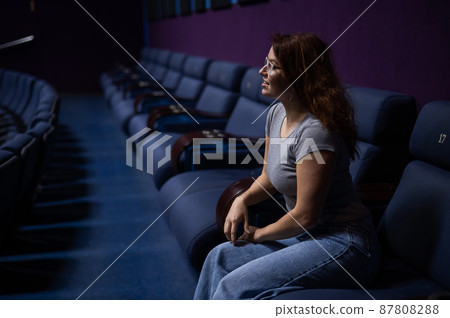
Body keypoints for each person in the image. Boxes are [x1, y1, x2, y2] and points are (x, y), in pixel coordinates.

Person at [194, 33, 380, 300]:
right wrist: (242, 200)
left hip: (343, 244)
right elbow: (269, 177)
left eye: (272, 66)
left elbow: (306, 216)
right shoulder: (276, 113)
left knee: (232, 286)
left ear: (298, 76)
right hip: (304, 237)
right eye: (265, 63)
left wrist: (258, 235)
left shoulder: (316, 134)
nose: (262, 71)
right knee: (218, 257)